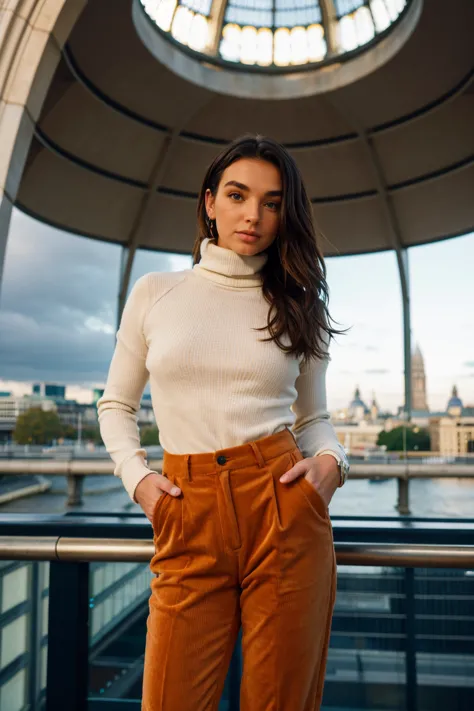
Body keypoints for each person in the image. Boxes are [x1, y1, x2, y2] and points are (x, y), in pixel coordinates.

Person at [97, 134, 350, 711]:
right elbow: (116, 404)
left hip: (283, 507)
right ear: (209, 201)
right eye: (238, 195)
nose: (253, 215)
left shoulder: (298, 301)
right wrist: (138, 481)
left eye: (271, 202)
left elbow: (314, 417)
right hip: (187, 509)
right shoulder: (157, 293)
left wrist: (332, 466)